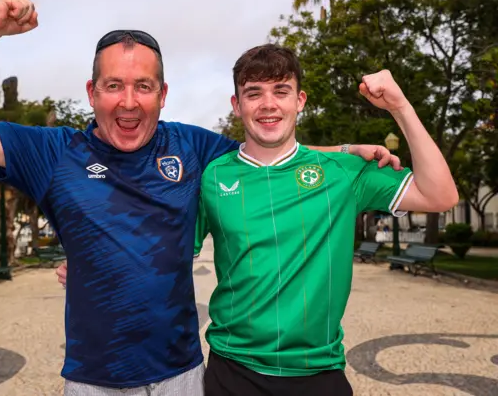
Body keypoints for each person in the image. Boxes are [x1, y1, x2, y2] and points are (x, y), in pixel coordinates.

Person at [0, 0, 402, 396]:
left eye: (144, 86)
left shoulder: (190, 145)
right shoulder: (55, 153)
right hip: (94, 379)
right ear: (93, 92)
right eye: (114, 86)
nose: (129, 101)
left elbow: (266, 148)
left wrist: (342, 151)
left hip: (183, 373)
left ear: (163, 93)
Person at [190, 44, 457, 395]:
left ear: (300, 100)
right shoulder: (212, 177)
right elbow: (172, 262)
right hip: (232, 370)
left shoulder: (342, 172)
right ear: (237, 106)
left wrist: (400, 106)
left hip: (318, 372)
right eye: (254, 93)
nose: (268, 104)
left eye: (281, 91)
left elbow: (441, 196)